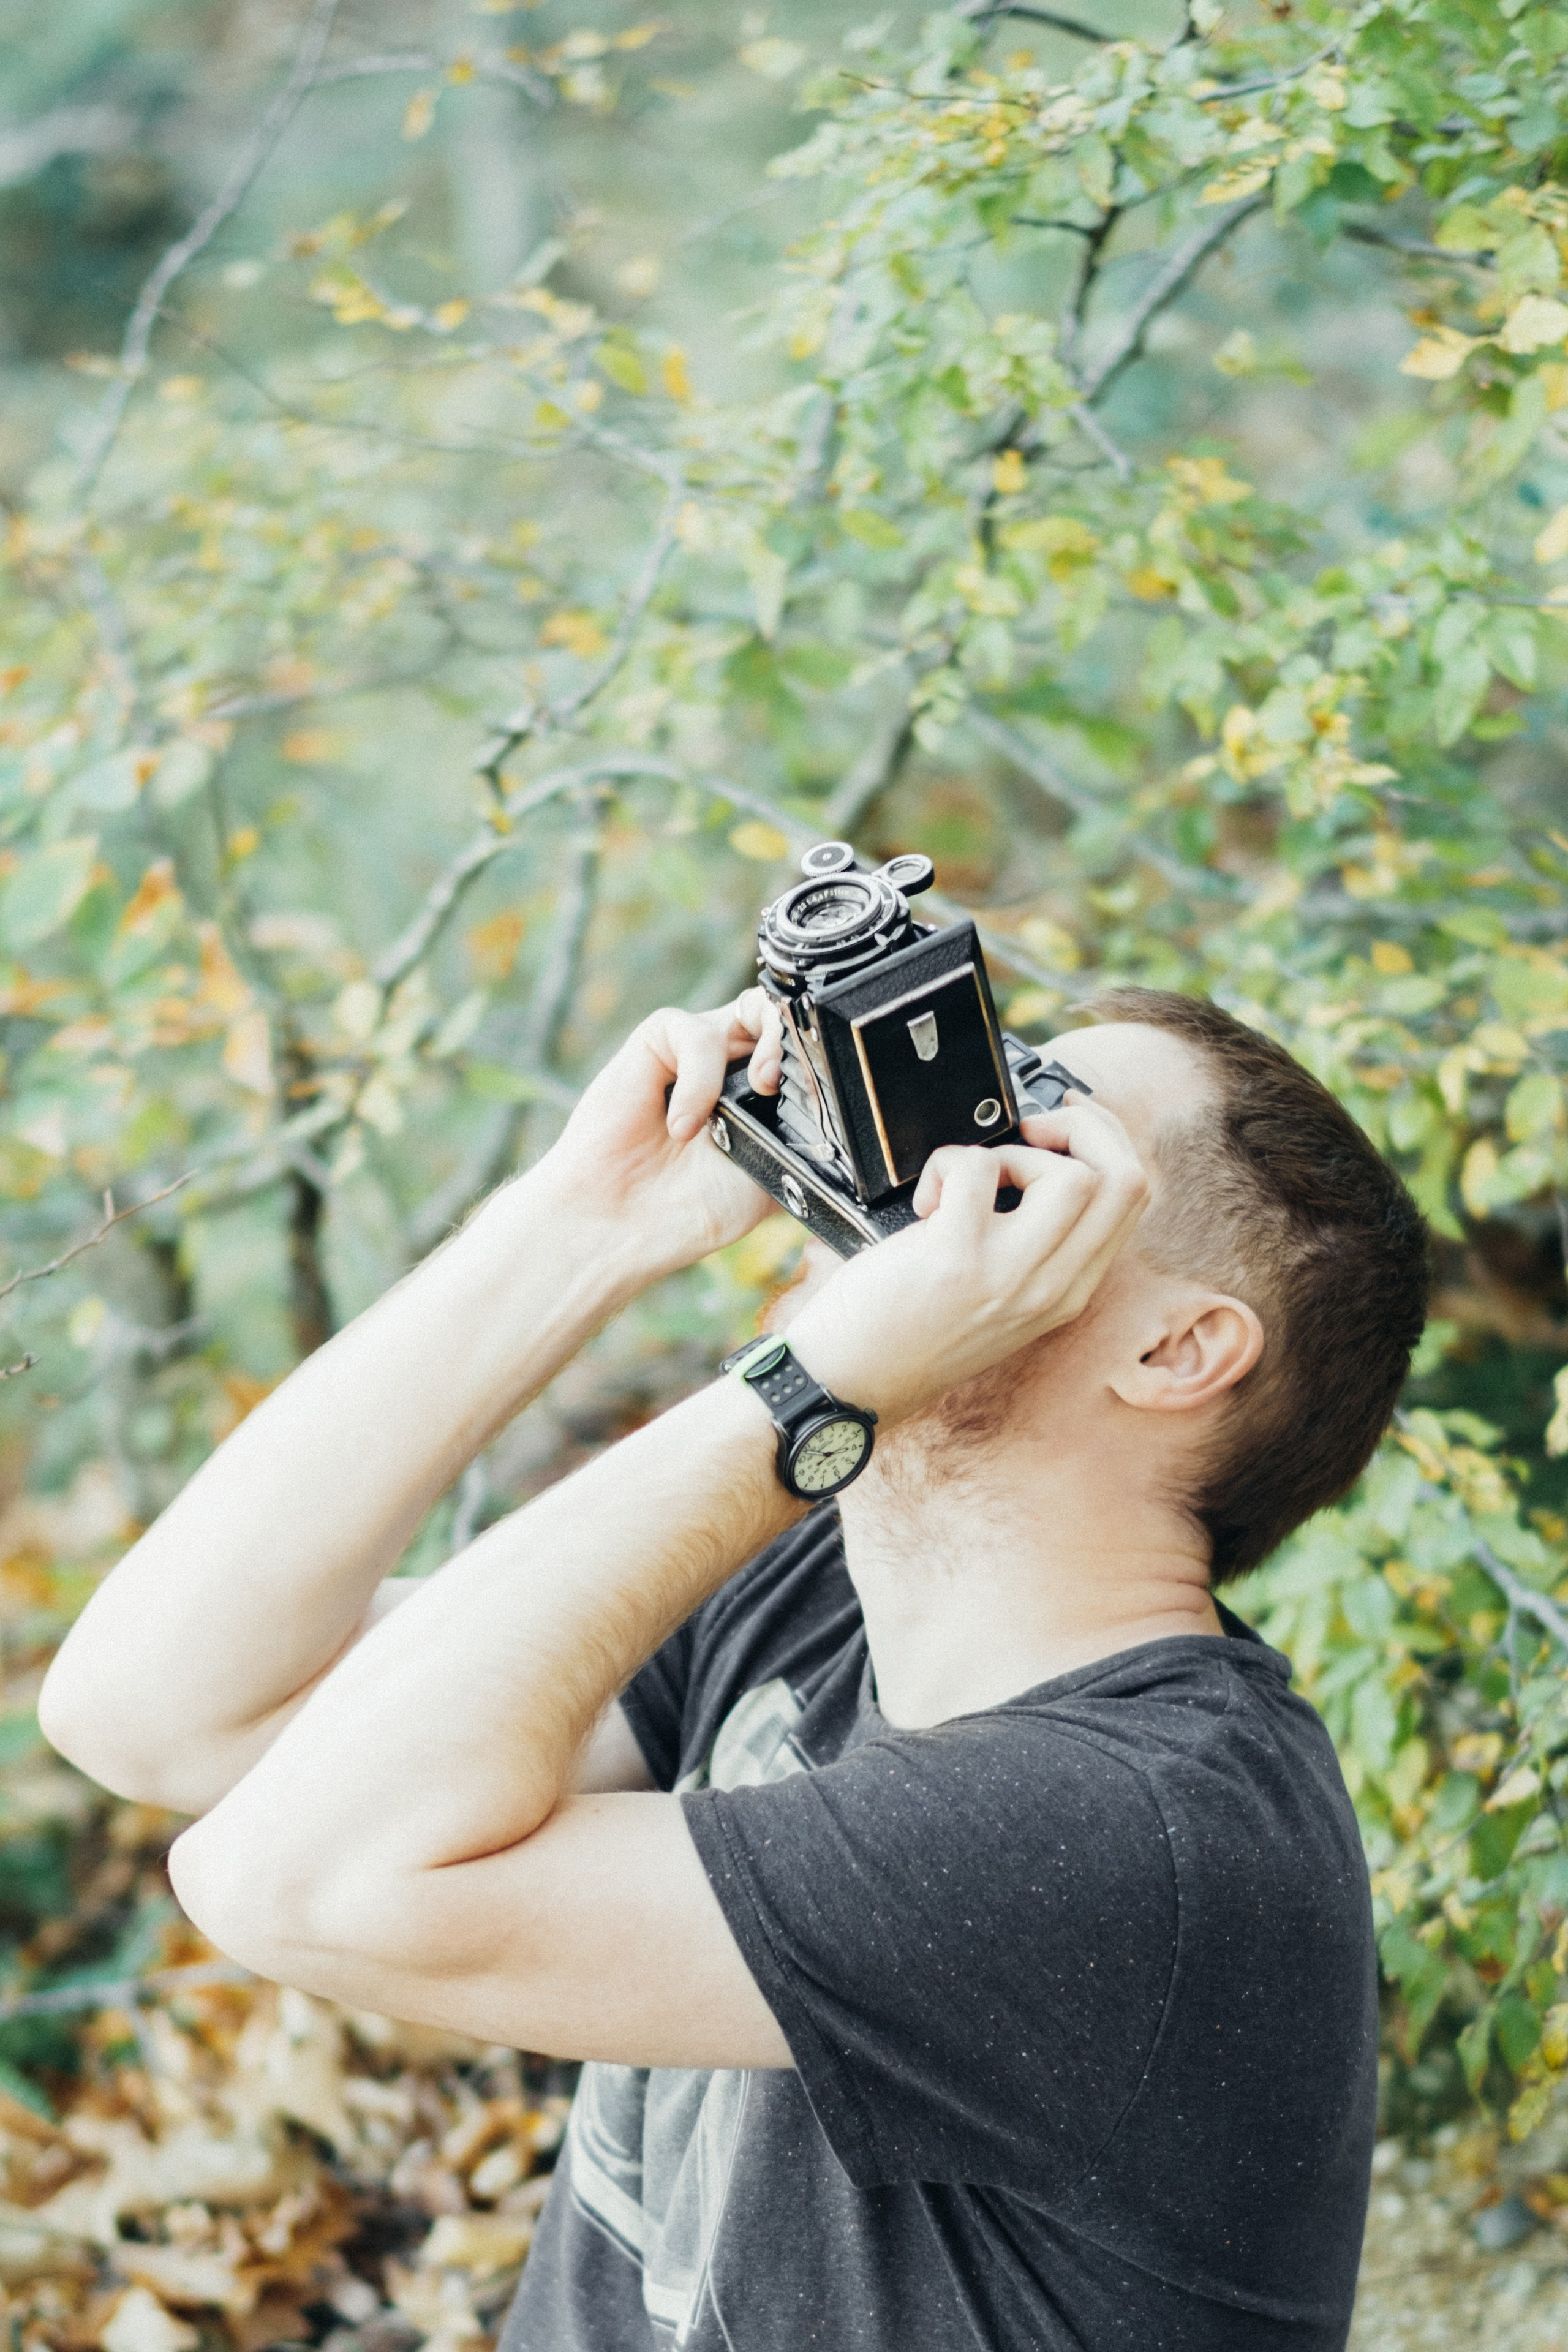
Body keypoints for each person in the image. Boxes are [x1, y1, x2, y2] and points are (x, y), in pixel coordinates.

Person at [39, 982, 1429, 2352]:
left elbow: (296, 1881)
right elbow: (157, 1708)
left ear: (1176, 1349)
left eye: (1039, 1132)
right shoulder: (816, 1596)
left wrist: (817, 1383)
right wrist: (580, 1231)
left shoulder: (1141, 1837)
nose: (942, 1151)